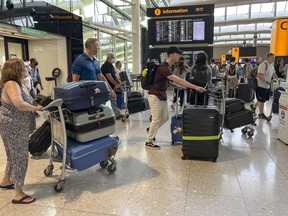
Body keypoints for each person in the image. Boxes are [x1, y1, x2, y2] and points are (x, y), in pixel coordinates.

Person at [145, 46, 206, 149]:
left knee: (165, 118)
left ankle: (150, 129)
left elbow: (165, 81)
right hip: (155, 95)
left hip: (161, 95)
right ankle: (149, 141)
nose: (179, 56)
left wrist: (175, 86)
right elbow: (179, 80)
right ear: (172, 54)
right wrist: (196, 87)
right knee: (156, 119)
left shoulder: (167, 67)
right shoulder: (163, 67)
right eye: (178, 54)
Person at [0, 58, 42, 204]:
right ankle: (18, 193)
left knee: (12, 155)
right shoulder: (12, 84)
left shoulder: (18, 83)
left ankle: (6, 180)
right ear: (16, 70)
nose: (27, 68)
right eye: (24, 66)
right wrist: (36, 109)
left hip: (13, 125)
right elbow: (19, 103)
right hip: (14, 126)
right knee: (19, 157)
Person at [71, 38, 123, 120]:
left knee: (97, 115)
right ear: (91, 47)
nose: (99, 48)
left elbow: (101, 77)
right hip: (85, 96)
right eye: (97, 45)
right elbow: (75, 81)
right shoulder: (79, 61)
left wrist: (111, 90)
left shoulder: (95, 61)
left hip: (95, 93)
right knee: (88, 117)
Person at [250, 53, 278, 119]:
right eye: (272, 57)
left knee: (263, 99)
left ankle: (253, 106)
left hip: (267, 86)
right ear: (268, 58)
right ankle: (261, 113)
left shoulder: (271, 66)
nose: (274, 59)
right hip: (261, 85)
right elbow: (260, 75)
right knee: (261, 100)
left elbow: (274, 74)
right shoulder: (263, 65)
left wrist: (278, 80)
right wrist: (267, 82)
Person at [101, 53, 123, 119]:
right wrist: (116, 84)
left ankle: (117, 114)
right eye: (113, 57)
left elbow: (114, 76)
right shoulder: (105, 65)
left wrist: (119, 83)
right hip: (105, 86)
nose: (114, 59)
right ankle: (103, 115)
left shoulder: (111, 66)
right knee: (105, 101)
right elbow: (109, 77)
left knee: (113, 99)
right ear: (109, 58)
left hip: (111, 86)